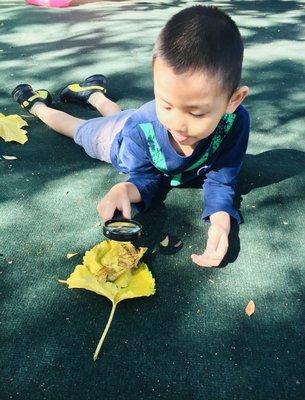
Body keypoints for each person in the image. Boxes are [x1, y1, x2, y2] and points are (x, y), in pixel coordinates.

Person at [12, 5, 250, 267]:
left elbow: (221, 179)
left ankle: (92, 94)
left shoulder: (235, 123)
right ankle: (38, 106)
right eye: (166, 104)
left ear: (233, 100)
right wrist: (125, 187)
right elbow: (147, 177)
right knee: (78, 129)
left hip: (135, 120)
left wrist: (220, 220)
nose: (177, 124)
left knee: (123, 115)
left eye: (196, 113)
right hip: (116, 139)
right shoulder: (143, 124)